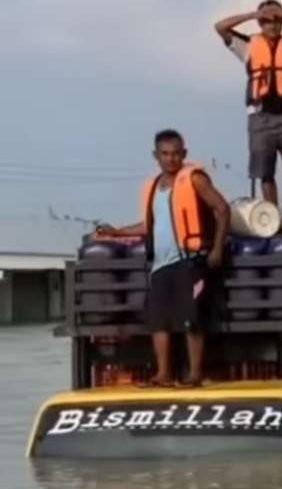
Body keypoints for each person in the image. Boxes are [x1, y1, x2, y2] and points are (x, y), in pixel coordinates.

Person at [98, 130, 230, 387]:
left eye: (176, 154)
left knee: (191, 320)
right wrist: (117, 231)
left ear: (184, 154)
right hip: (161, 265)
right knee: (159, 322)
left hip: (190, 261)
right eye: (165, 154)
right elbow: (149, 225)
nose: (171, 159)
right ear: (156, 156)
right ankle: (163, 374)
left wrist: (216, 250)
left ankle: (195, 374)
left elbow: (222, 209)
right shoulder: (153, 187)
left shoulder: (195, 180)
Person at [214, 1, 282, 227]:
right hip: (260, 117)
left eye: (277, 21)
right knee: (265, 171)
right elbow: (220, 27)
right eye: (267, 21)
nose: (272, 25)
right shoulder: (247, 45)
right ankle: (273, 216)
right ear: (260, 22)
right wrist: (253, 14)